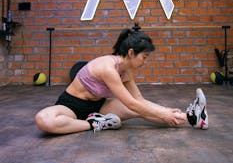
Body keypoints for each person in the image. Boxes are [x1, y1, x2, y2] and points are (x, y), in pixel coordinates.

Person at [35, 28, 208, 134]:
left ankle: (192, 117)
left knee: (143, 110)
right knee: (44, 120)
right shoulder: (108, 67)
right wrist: (161, 114)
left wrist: (166, 111)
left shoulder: (125, 72)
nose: (146, 62)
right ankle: (95, 123)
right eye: (145, 57)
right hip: (71, 106)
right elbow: (132, 104)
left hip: (100, 107)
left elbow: (139, 101)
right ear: (131, 53)